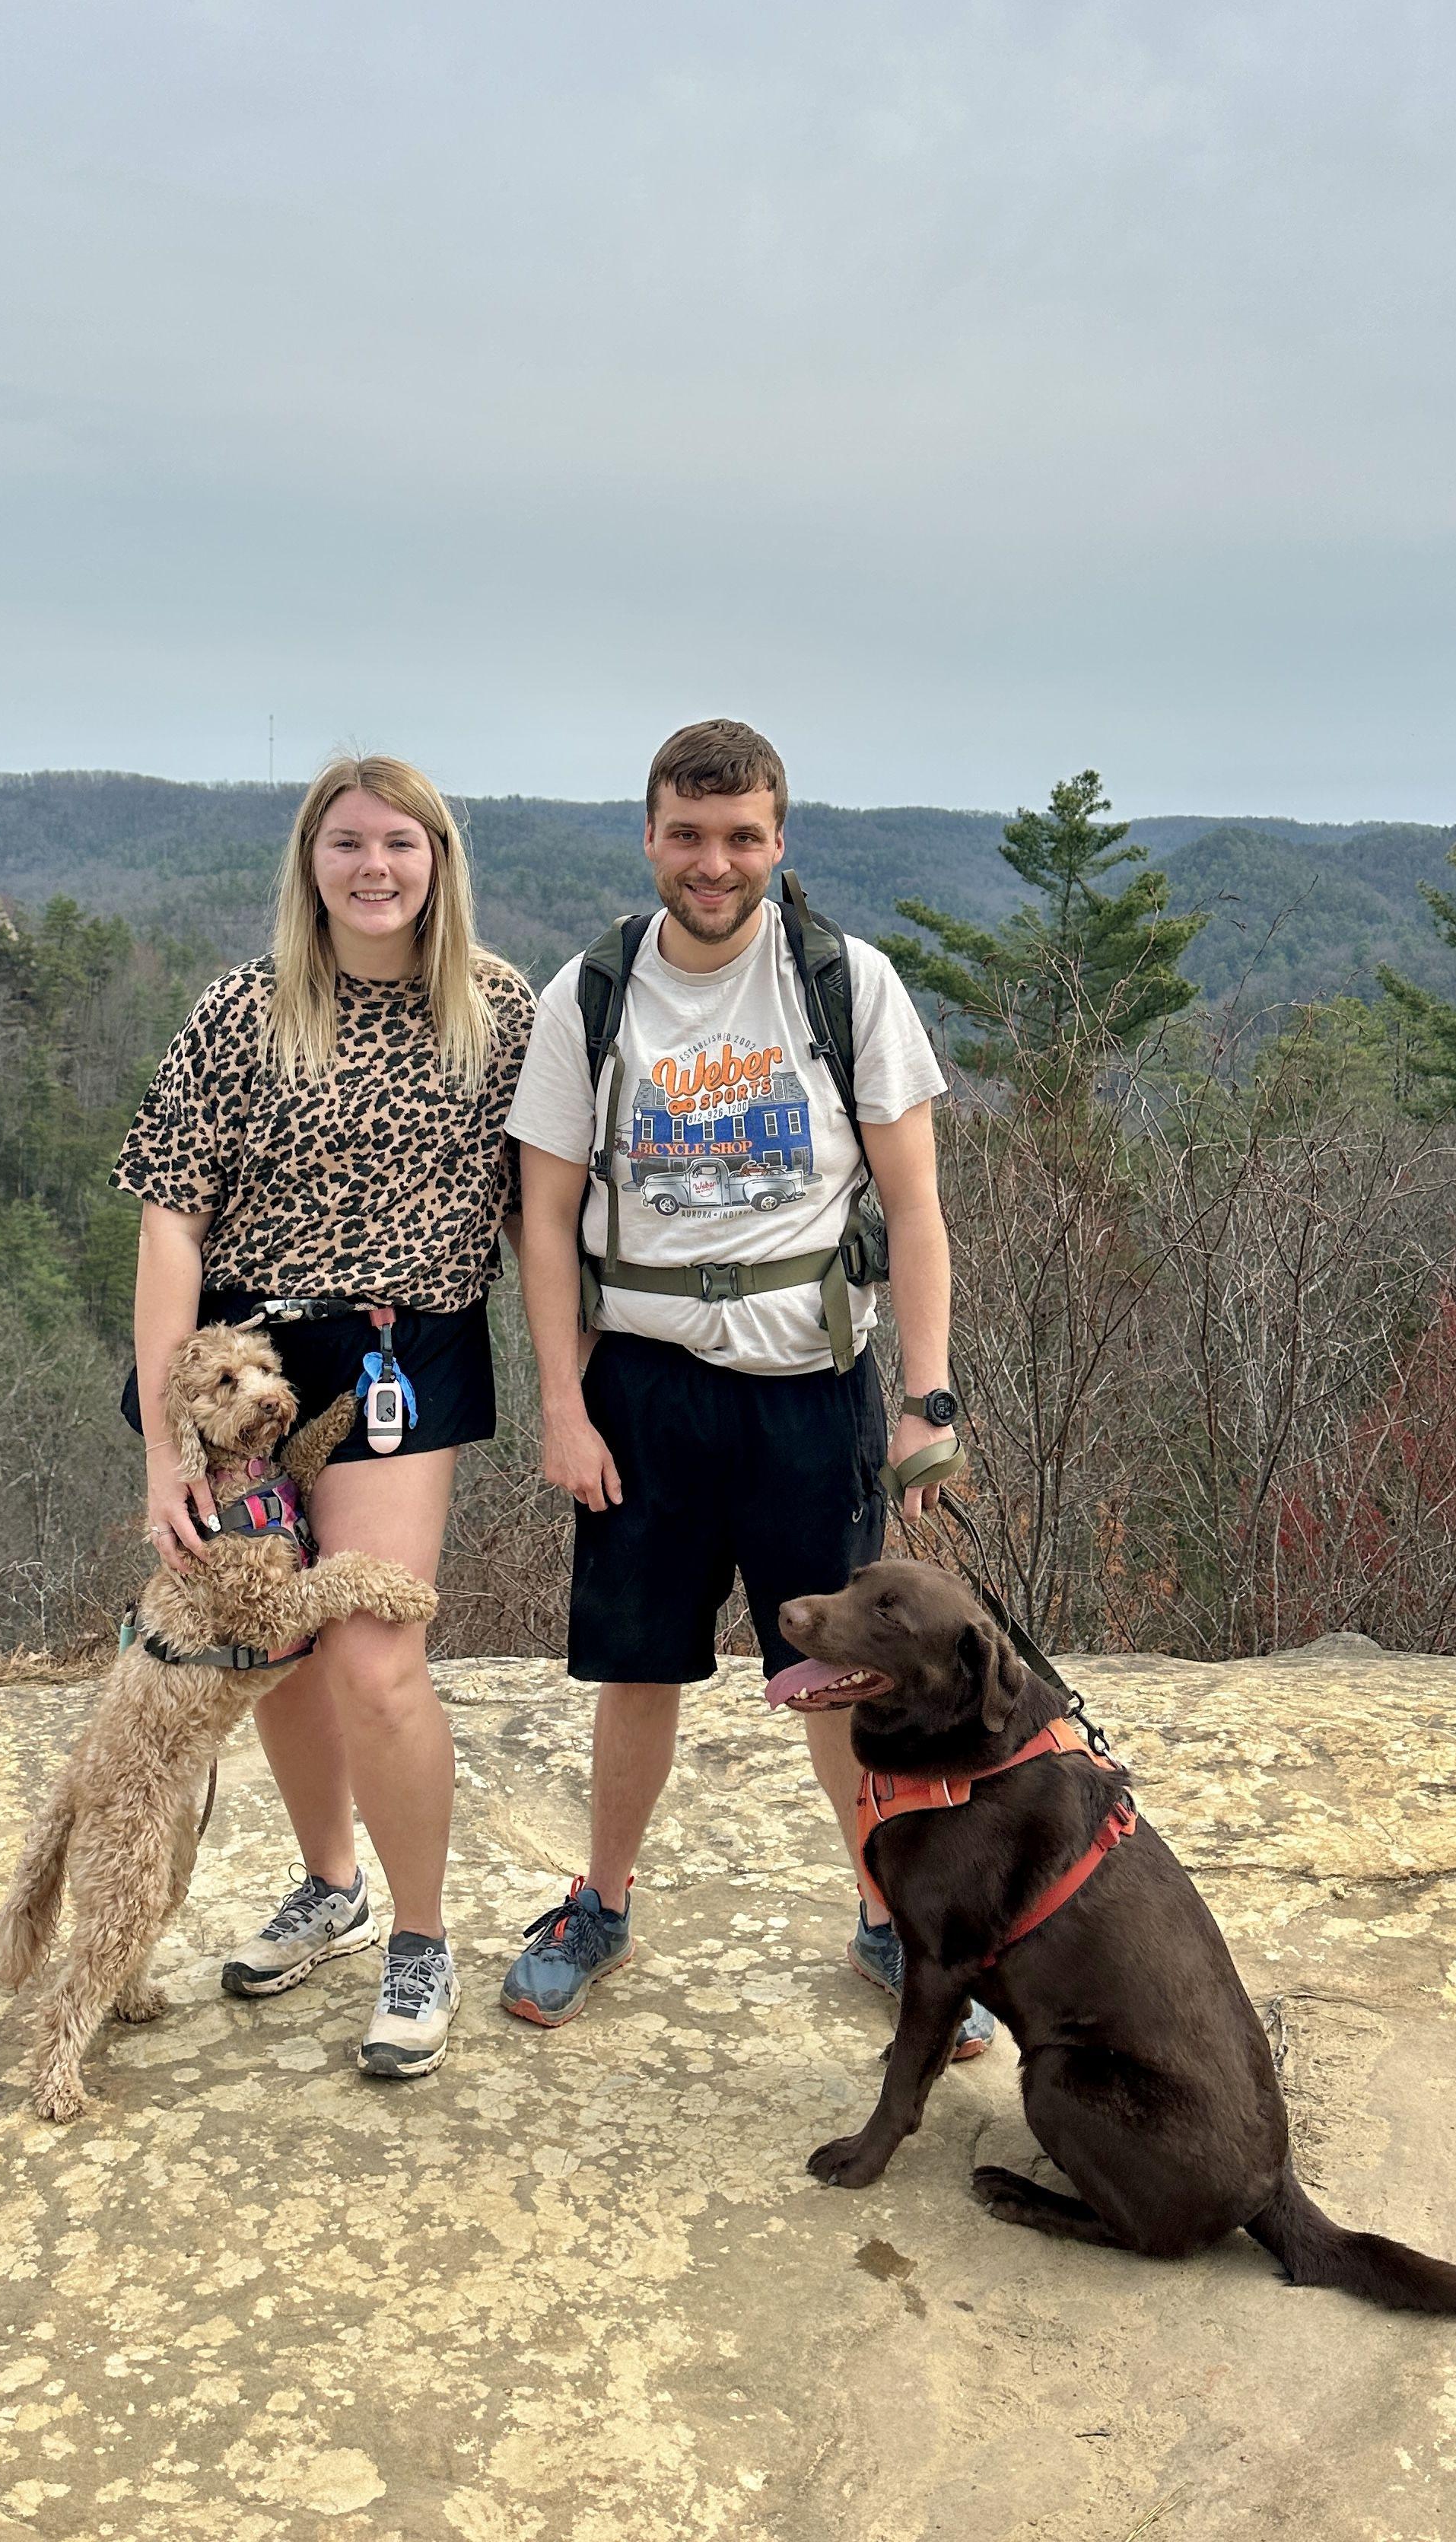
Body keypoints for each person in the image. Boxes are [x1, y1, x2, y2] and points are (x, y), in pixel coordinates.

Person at [494, 717, 990, 2060]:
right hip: (645, 1388)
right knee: (636, 1668)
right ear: (650, 836)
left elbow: (916, 1202)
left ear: (780, 840)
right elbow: (544, 1219)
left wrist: (926, 1401)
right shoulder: (589, 996)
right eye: (689, 836)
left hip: (807, 1386)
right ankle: (601, 1905)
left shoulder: (845, 982)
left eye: (742, 838)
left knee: (840, 1679)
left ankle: (891, 1918)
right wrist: (561, 1402)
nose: (714, 865)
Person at [112, 755, 533, 2081]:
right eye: (346, 843)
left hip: (407, 1352)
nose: (374, 868)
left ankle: (420, 1937)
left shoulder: (499, 1011)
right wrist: (165, 1441)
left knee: (371, 1652)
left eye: (401, 844)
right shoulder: (242, 1012)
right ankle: (330, 1884)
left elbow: (549, 1212)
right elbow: (170, 1220)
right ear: (310, 861)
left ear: (439, 860)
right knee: (266, 1647)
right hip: (242, 1354)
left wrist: (589, 1382)